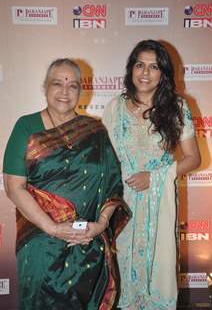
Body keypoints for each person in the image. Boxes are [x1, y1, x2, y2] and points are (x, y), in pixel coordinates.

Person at [3, 58, 131, 310]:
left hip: (86, 242)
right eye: (57, 83)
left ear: (81, 92)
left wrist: (101, 225)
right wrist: (52, 228)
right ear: (45, 88)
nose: (64, 91)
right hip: (41, 243)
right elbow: (13, 187)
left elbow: (112, 185)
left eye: (72, 85)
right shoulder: (26, 126)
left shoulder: (95, 131)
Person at [102, 40, 201, 310]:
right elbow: (104, 161)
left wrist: (155, 176)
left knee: (157, 274)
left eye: (154, 66)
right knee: (121, 281)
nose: (145, 73)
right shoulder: (114, 108)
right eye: (139, 65)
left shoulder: (177, 107)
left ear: (163, 73)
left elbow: (194, 158)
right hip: (122, 209)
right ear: (131, 69)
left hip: (159, 206)